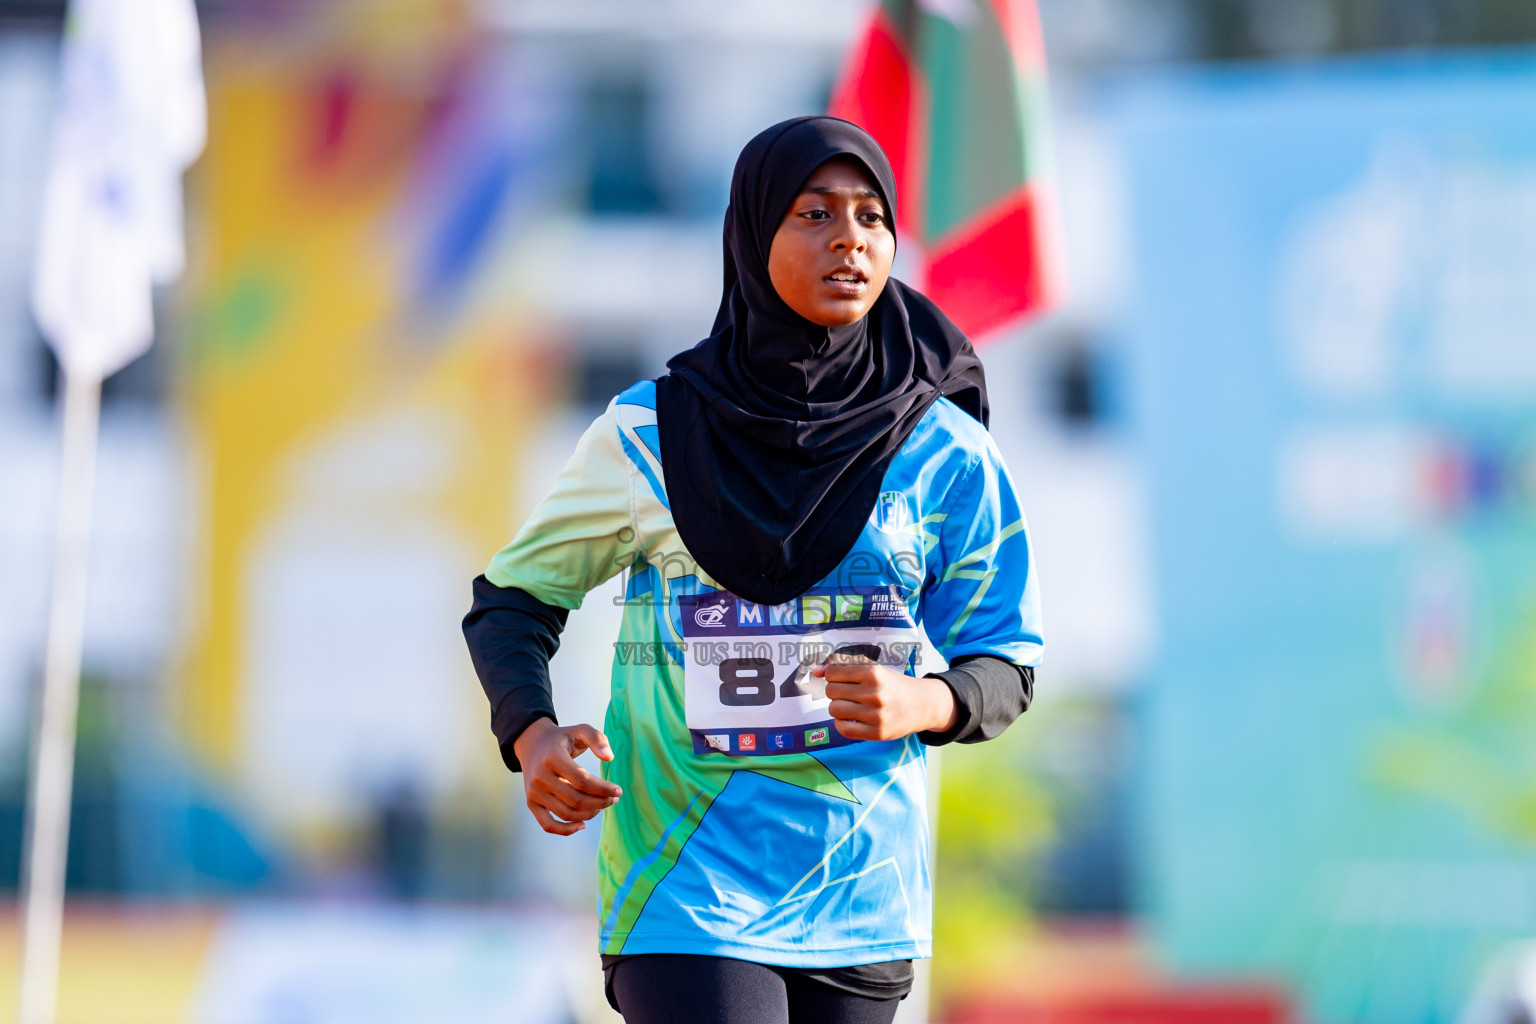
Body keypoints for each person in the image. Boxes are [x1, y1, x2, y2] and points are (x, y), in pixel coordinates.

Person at [463, 116, 1043, 1024]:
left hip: (862, 892)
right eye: (814, 213)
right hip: (684, 886)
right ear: (750, 231)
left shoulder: (947, 452)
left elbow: (1008, 660)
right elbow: (513, 600)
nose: (849, 238)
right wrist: (533, 736)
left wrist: (926, 702)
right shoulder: (646, 435)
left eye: (870, 216)